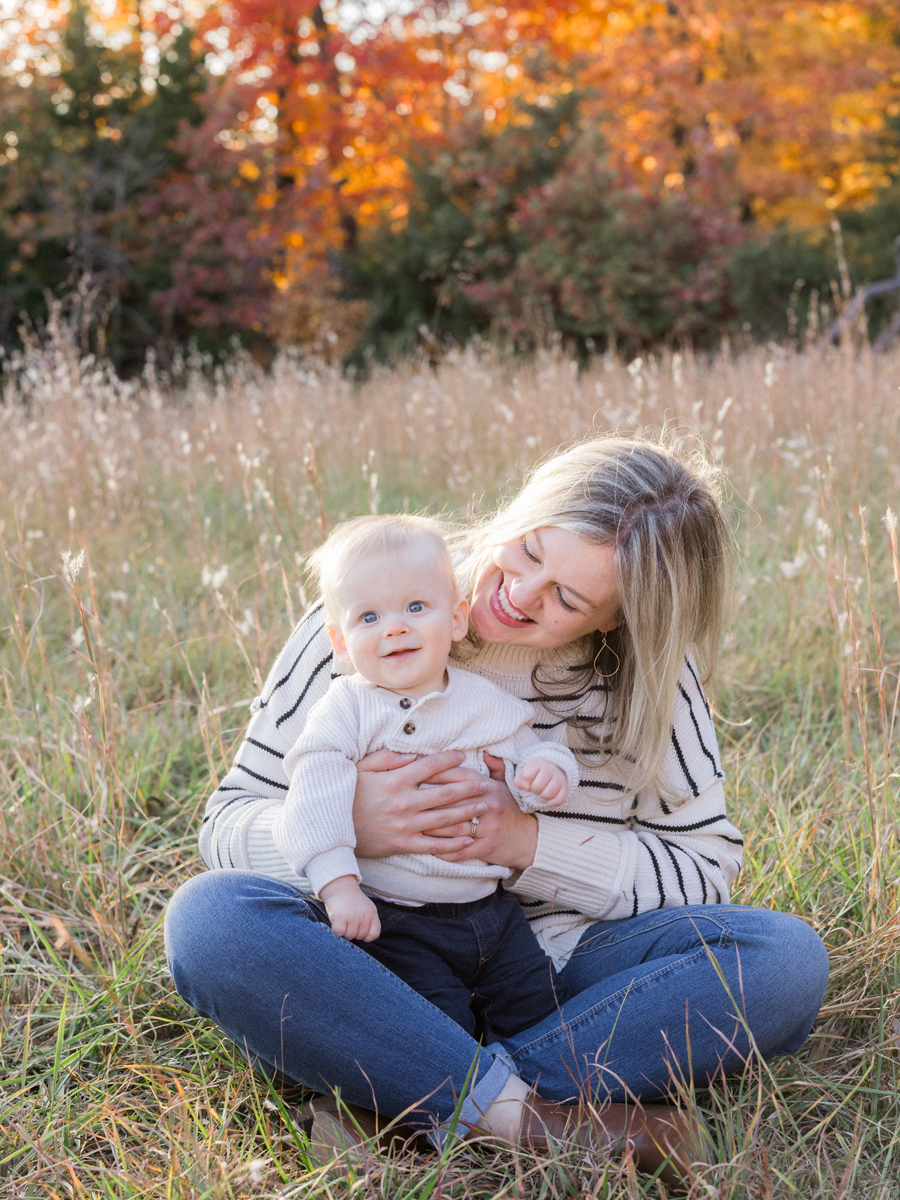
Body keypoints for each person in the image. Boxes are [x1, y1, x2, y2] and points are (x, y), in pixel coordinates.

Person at [164, 434, 829, 1185]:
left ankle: (404, 1093)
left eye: (567, 599)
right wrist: (354, 827)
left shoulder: (654, 683)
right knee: (210, 920)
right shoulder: (377, 606)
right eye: (529, 550)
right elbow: (227, 823)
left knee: (784, 963)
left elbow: (704, 866)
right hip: (375, 944)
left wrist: (524, 842)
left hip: (549, 970)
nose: (519, 593)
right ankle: (528, 1118)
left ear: (615, 620)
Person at [277, 513, 578, 1038]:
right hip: (397, 918)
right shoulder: (346, 708)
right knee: (438, 1023)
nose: (394, 627)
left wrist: (546, 771)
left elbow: (530, 749)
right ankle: (458, 1095)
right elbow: (315, 790)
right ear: (341, 643)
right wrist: (340, 886)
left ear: (457, 619)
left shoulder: (480, 700)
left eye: (416, 607)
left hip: (495, 916)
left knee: (540, 1012)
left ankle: (535, 1085)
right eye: (368, 617)